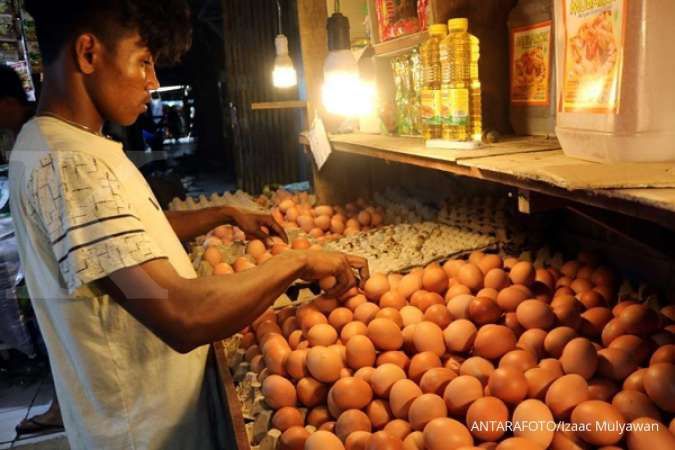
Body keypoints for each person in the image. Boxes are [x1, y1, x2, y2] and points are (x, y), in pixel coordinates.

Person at [9, 2, 368, 450]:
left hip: (142, 419)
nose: (154, 83)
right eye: (144, 62)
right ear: (87, 53)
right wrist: (296, 262)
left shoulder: (51, 142)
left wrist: (224, 213)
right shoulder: (71, 164)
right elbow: (180, 314)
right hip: (149, 432)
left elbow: (126, 241)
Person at [0, 64, 65, 436]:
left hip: (53, 267)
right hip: (41, 265)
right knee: (48, 337)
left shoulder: (37, 136)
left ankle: (60, 409)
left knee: (54, 338)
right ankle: (60, 405)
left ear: (9, 101)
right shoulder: (24, 135)